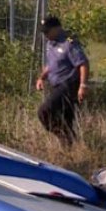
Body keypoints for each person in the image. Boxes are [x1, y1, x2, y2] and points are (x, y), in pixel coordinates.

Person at [35, 15, 89, 146]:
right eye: (43, 32)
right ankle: (70, 146)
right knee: (66, 118)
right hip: (56, 85)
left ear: (57, 28)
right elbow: (51, 64)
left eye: (47, 31)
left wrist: (83, 85)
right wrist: (42, 77)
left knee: (44, 111)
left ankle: (65, 137)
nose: (45, 35)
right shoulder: (50, 43)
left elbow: (83, 64)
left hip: (68, 85)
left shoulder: (69, 43)